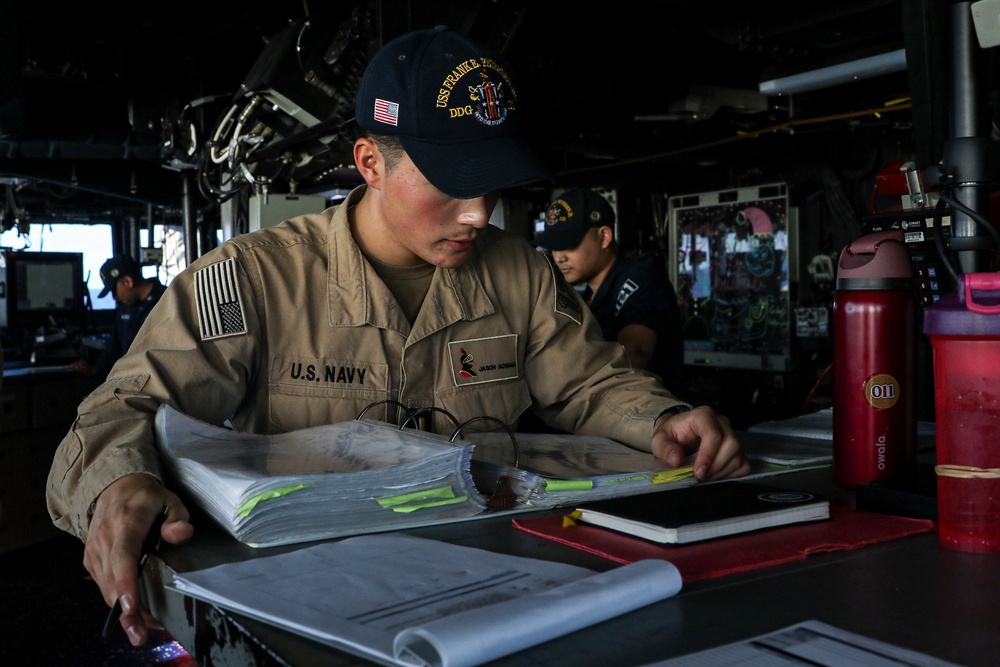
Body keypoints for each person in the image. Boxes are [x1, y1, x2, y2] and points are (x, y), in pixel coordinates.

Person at [46, 26, 749, 647]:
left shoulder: (521, 274)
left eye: (493, 184)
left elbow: (590, 382)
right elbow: (124, 407)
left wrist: (661, 419)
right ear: (371, 163)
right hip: (310, 606)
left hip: (489, 595)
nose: (478, 213)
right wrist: (122, 481)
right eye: (453, 183)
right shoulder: (254, 279)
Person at [534, 188, 684, 390]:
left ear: (604, 237)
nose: (559, 257)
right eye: (554, 246)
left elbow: (633, 358)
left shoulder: (641, 280)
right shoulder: (587, 295)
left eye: (568, 244)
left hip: (645, 406)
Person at [68, 255, 167, 378]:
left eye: (114, 290)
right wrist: (96, 369)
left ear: (128, 281)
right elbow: (114, 345)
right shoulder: (126, 307)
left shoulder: (167, 300)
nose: (114, 297)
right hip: (132, 378)